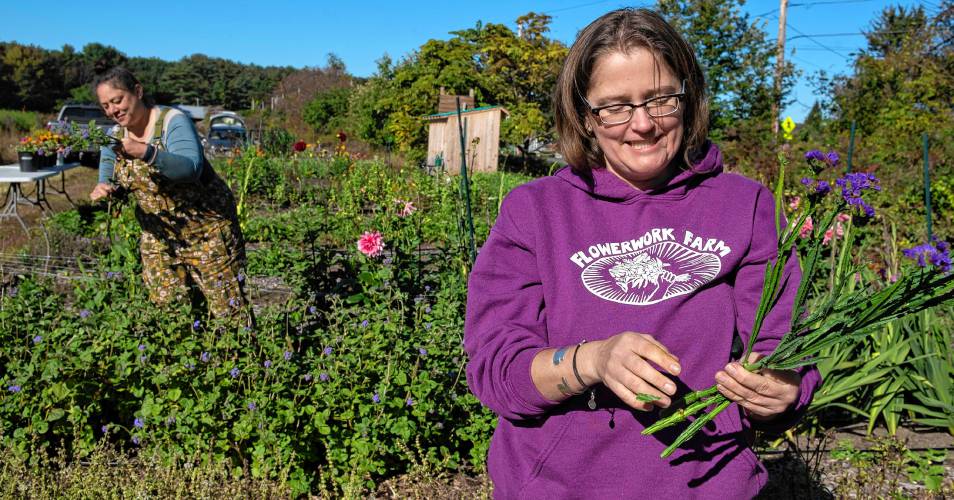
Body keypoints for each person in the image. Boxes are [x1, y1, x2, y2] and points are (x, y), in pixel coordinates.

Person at [464, 8, 821, 498]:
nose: (643, 125)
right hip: (558, 486)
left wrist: (783, 390)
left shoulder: (746, 206)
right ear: (584, 116)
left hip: (708, 483)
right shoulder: (536, 212)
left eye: (660, 100)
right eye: (615, 106)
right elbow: (497, 374)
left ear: (688, 97)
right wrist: (593, 360)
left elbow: (789, 345)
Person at [89, 67, 251, 324]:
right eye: (106, 106)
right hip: (159, 236)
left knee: (229, 313)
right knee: (169, 313)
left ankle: (243, 361)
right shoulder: (114, 137)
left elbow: (190, 167)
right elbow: (109, 171)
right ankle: (186, 361)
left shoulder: (172, 121)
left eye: (117, 100)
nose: (112, 111)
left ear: (138, 91)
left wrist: (146, 152)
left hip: (206, 232)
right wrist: (106, 188)